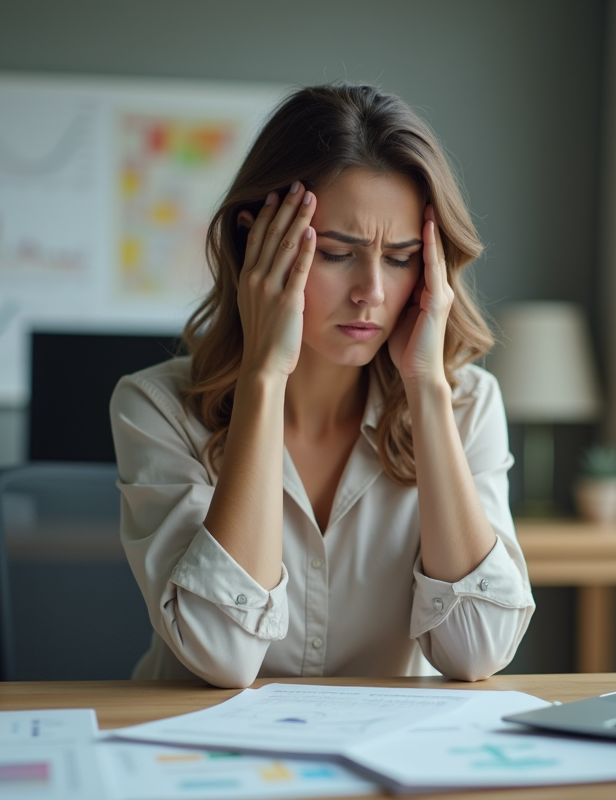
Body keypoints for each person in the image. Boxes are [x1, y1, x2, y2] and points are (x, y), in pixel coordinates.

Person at [111, 84, 535, 688]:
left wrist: (427, 389)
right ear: (256, 244)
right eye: (337, 253)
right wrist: (263, 378)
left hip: (387, 766)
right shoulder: (155, 408)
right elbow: (222, 655)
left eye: (401, 257)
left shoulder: (467, 405)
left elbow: (478, 650)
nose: (373, 292)